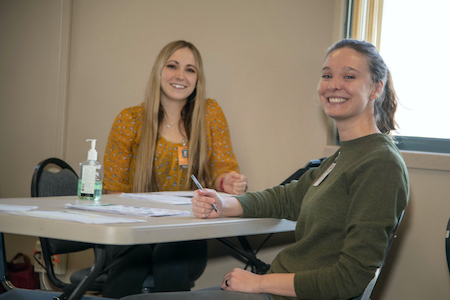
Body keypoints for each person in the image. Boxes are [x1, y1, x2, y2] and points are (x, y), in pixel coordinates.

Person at [118, 39, 409, 300]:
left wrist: (259, 283)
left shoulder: (379, 163)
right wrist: (223, 203)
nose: (333, 84)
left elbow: (350, 280)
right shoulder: (344, 156)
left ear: (376, 87)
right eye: (326, 75)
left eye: (349, 76)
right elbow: (285, 199)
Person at [101, 40, 248, 298]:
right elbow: (113, 191)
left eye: (190, 70)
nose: (181, 76)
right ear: (159, 71)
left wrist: (230, 183)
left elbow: (222, 172)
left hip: (185, 234)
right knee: (133, 259)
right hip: (136, 230)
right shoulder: (130, 120)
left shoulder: (210, 115)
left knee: (168, 257)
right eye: (172, 66)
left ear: (198, 79)